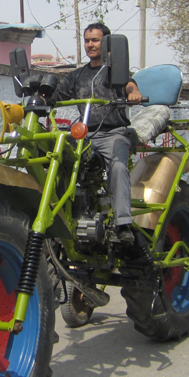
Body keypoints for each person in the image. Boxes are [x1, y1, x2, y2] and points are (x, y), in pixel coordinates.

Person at [54, 22, 143, 244]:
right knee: (56, 160)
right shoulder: (77, 76)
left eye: (95, 40)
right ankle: (62, 217)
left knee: (118, 166)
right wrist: (39, 98)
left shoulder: (117, 71)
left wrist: (134, 93)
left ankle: (123, 224)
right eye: (87, 40)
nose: (90, 45)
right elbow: (56, 96)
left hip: (114, 133)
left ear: (107, 44)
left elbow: (131, 85)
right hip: (85, 136)